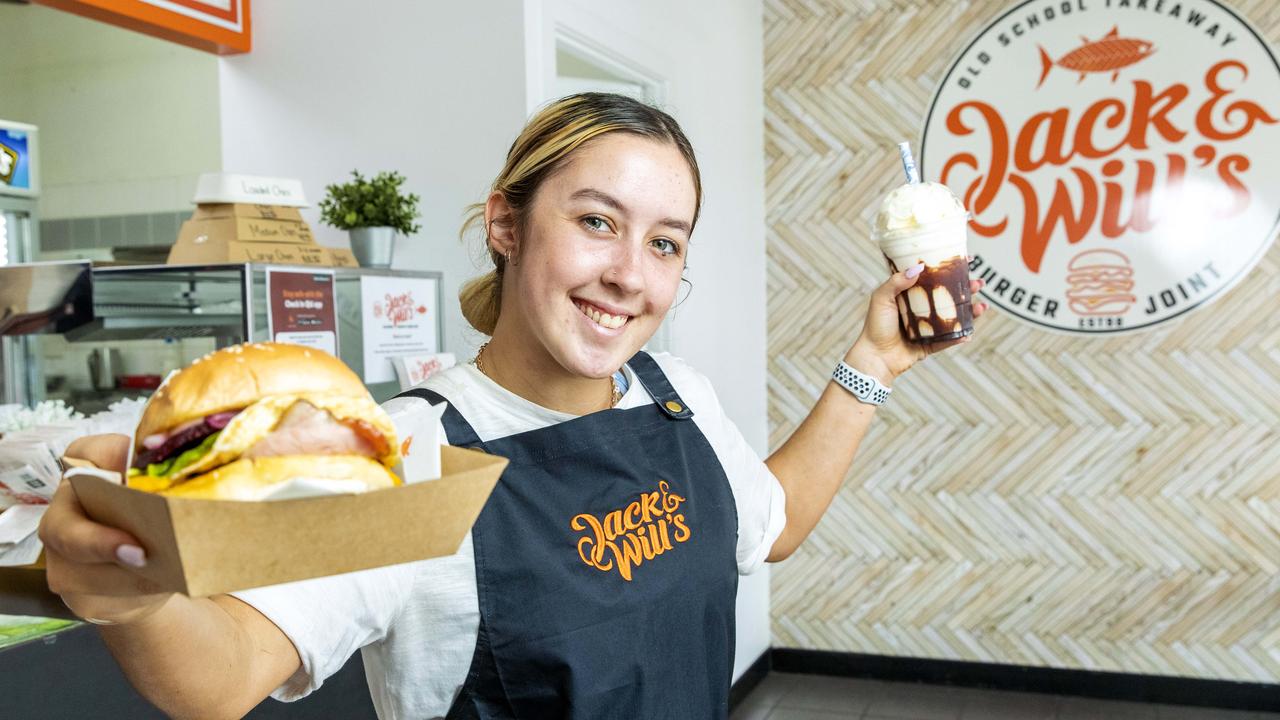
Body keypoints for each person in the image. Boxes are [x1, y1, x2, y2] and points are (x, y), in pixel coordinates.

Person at [38, 93, 987, 719]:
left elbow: (768, 527)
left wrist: (874, 363)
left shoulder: (675, 395)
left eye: (665, 243)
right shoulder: (407, 448)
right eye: (596, 221)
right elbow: (229, 667)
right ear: (505, 223)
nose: (628, 275)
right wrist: (135, 598)